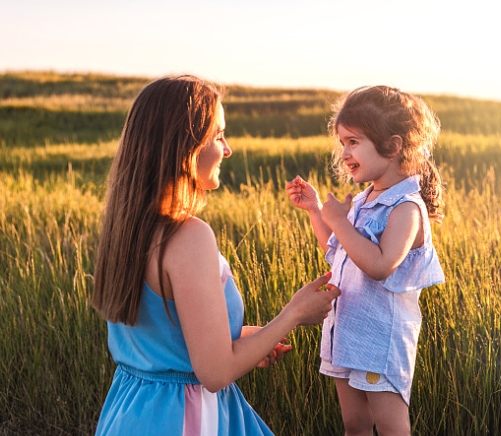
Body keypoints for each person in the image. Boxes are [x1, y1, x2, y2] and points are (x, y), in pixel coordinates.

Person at [92, 75, 340, 436]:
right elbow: (215, 373)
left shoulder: (128, 227)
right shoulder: (189, 236)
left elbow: (166, 335)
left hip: (130, 409)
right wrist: (295, 313)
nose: (227, 149)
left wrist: (248, 339)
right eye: (218, 135)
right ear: (185, 146)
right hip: (184, 419)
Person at [285, 85, 445, 435]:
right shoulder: (363, 199)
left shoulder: (406, 208)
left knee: (391, 428)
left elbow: (379, 265)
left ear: (393, 145)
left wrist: (339, 220)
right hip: (347, 332)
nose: (344, 153)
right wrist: (316, 212)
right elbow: (340, 250)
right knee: (354, 424)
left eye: (353, 142)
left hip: (380, 341)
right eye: (342, 143)